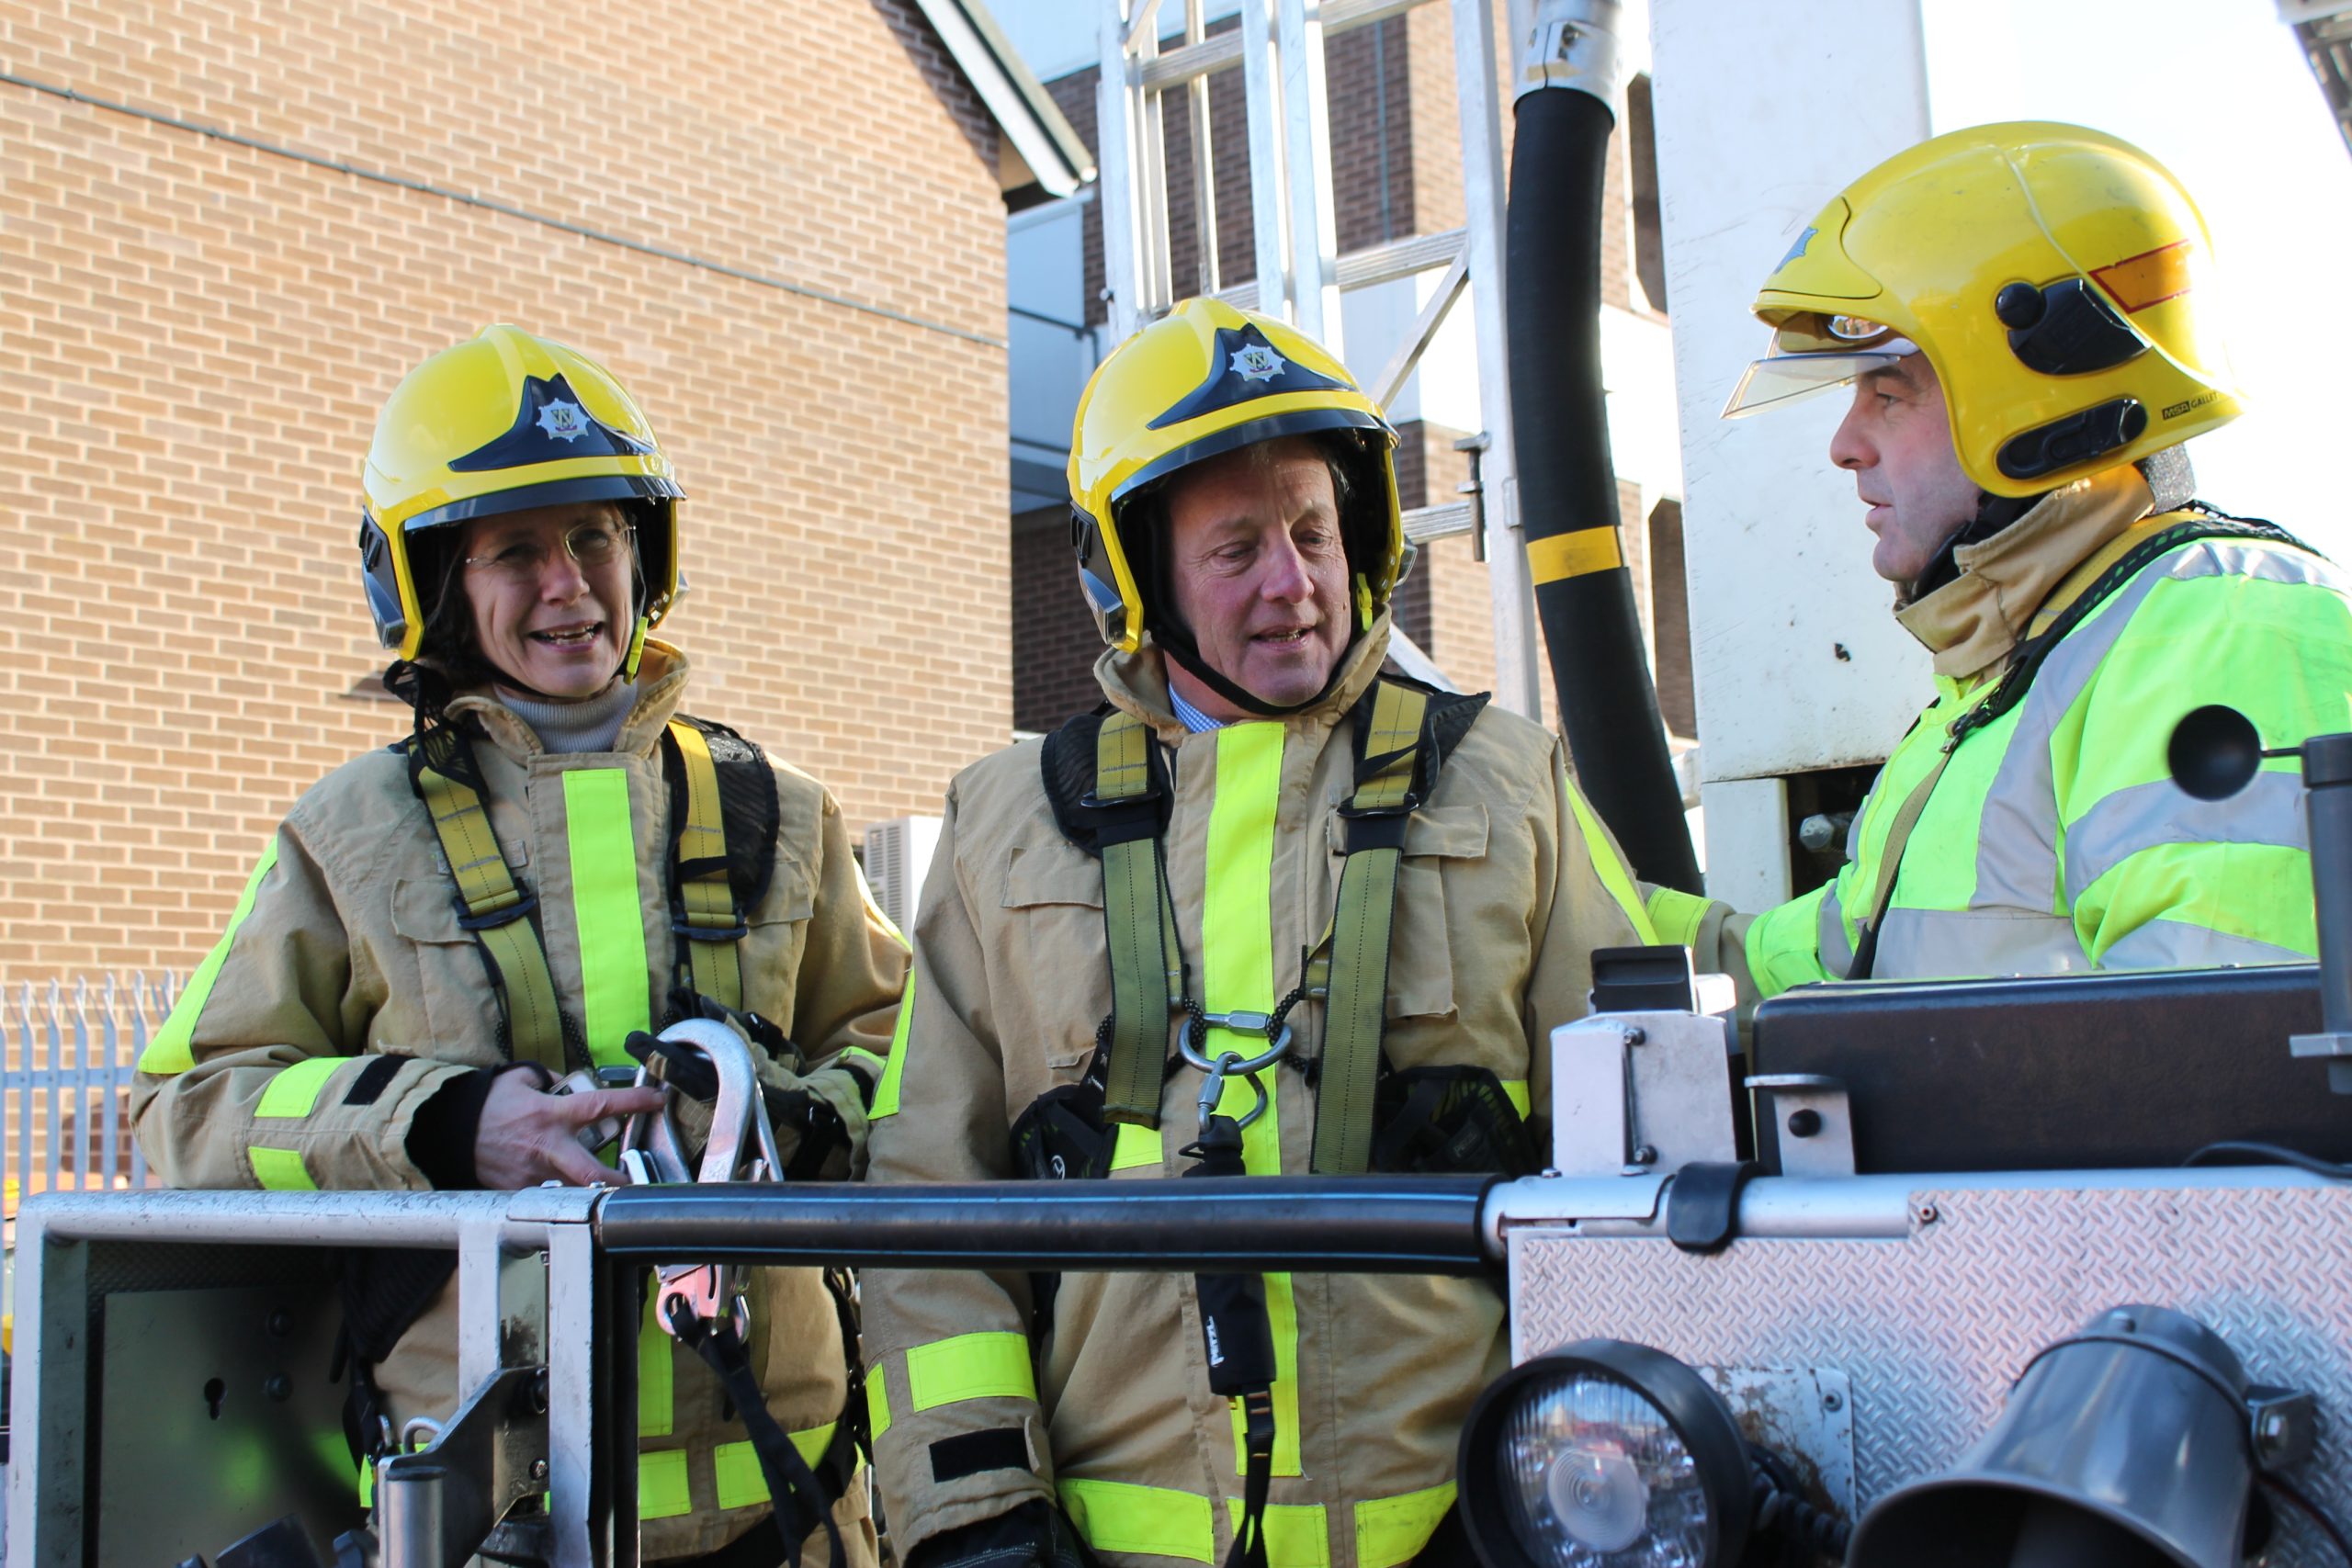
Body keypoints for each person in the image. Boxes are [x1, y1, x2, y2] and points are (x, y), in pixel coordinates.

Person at [856, 298, 1654, 1568]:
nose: (1294, 583)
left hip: (1468, 1534)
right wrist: (977, 1517)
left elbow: (1638, 1166)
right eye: (1237, 550)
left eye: (1313, 531)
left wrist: (1555, 1486)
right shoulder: (1002, 822)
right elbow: (924, 1208)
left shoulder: (1511, 783)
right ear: (1134, 577)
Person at [130, 324, 906, 1565]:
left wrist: (783, 1116)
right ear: (434, 577)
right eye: (516, 549)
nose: (570, 583)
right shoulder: (349, 833)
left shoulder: (780, 808)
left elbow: (910, 1071)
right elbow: (190, 1110)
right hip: (487, 1521)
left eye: (597, 534)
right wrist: (441, 1124)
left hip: (792, 1507)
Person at [1650, 121, 2352, 997]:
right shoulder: (2007, 681)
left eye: (1888, 393)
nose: (1844, 444)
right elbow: (1811, 967)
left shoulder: (2227, 631)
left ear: (2025, 401)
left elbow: (2222, 1080)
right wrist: (1571, 887)